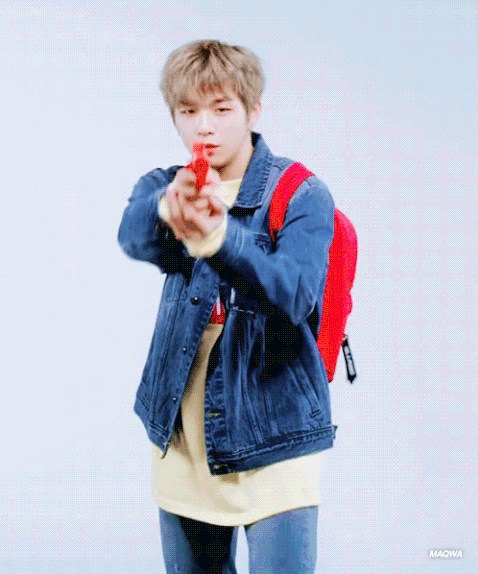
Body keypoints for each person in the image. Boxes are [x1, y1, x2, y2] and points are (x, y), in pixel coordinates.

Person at [117, 39, 335, 574]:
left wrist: (220, 237)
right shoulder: (164, 186)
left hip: (275, 431)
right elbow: (132, 236)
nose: (204, 127)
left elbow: (294, 294)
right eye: (188, 111)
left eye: (221, 109)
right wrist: (169, 207)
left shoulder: (302, 193)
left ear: (253, 110)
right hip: (183, 438)